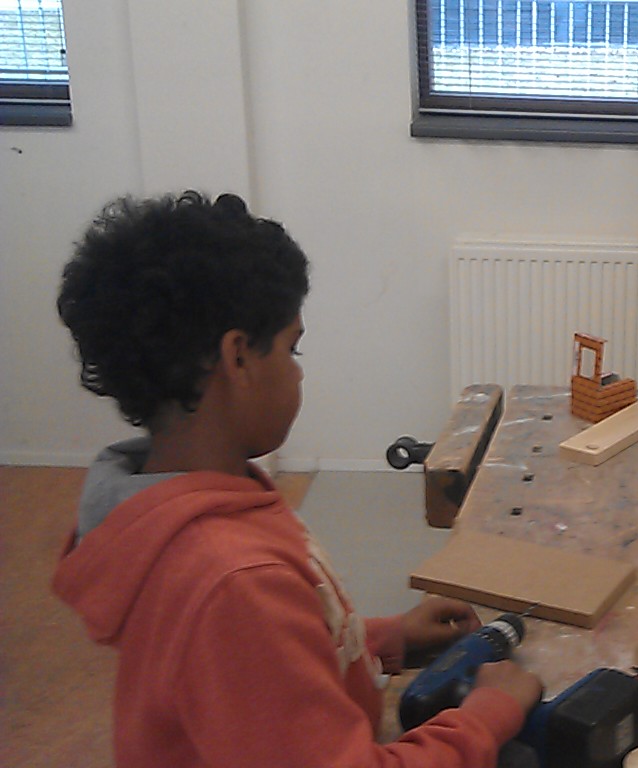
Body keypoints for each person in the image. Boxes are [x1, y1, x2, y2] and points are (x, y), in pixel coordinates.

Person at [52, 191, 543, 767]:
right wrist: (483, 718)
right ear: (237, 358)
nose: (298, 373)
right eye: (293, 348)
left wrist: (372, 640)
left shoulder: (174, 506)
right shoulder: (234, 582)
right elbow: (250, 642)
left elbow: (252, 675)